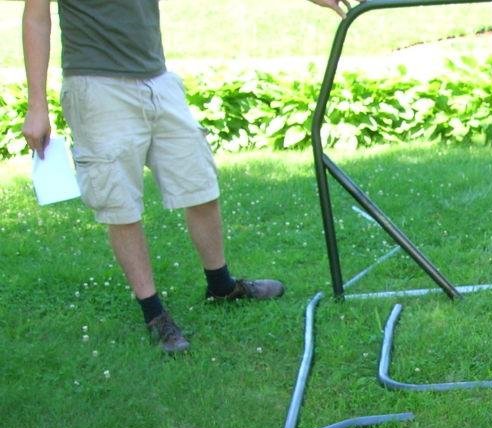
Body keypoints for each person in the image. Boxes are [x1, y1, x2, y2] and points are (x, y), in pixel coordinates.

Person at [21, 0, 353, 353]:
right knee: (120, 205)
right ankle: (154, 314)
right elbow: (36, 18)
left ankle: (221, 287)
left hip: (158, 80)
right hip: (97, 88)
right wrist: (37, 105)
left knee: (200, 184)